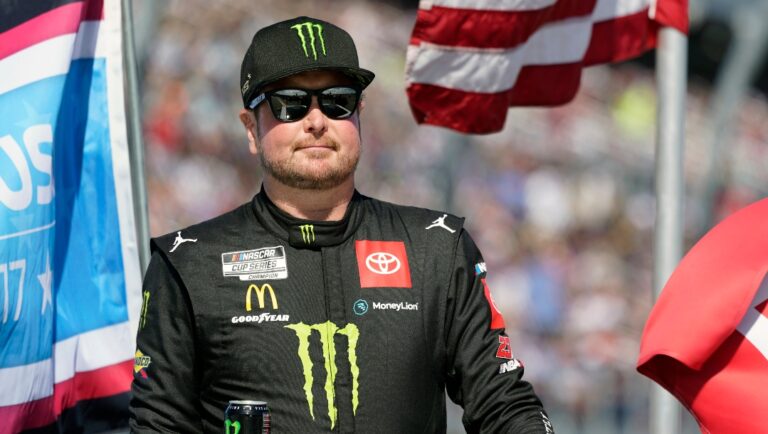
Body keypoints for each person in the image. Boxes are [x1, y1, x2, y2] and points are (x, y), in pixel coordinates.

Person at [130, 16, 554, 433]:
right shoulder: (187, 263)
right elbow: (158, 424)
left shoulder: (437, 249)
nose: (316, 120)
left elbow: (503, 403)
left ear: (359, 115)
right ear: (251, 128)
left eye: (337, 101)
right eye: (290, 104)